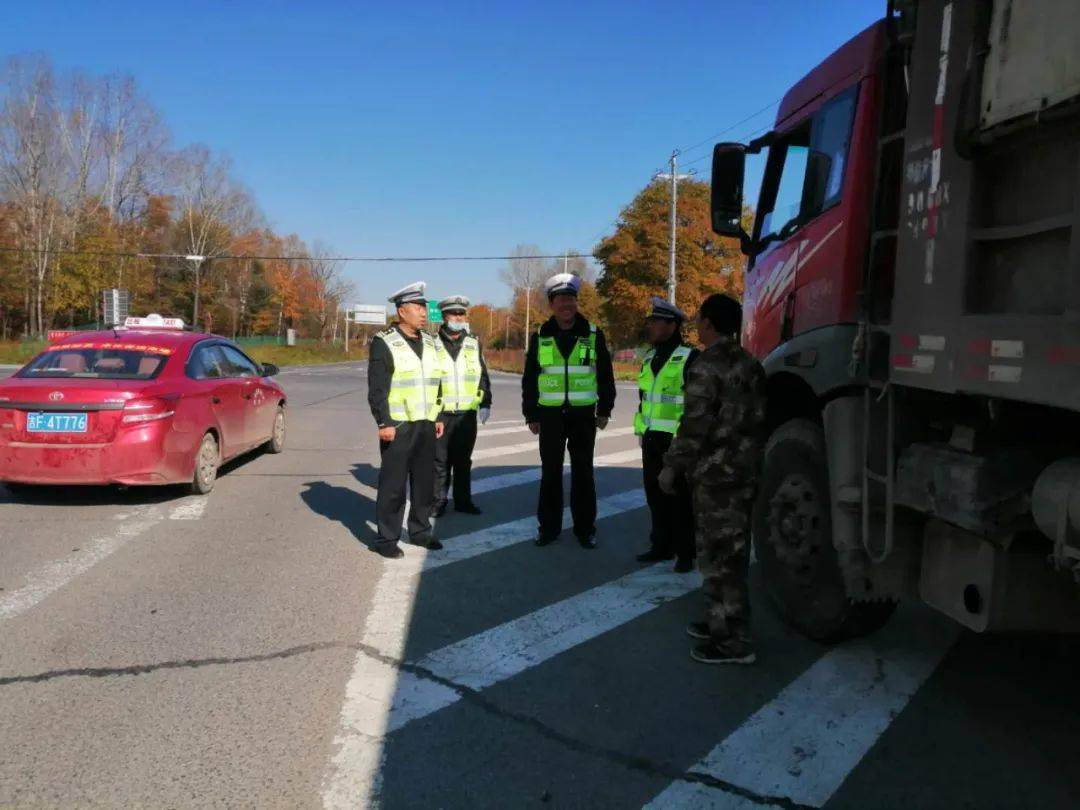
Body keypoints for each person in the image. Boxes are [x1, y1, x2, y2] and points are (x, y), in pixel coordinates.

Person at [659, 293, 766, 664]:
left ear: (709, 323)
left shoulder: (707, 367)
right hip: (745, 471)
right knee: (728, 553)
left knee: (720, 559)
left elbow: (694, 425)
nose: (697, 326)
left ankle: (734, 643)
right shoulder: (751, 364)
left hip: (717, 476)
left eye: (700, 319)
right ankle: (719, 621)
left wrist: (672, 466)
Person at [522, 272, 615, 549]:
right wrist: (531, 413)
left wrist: (605, 409)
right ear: (551, 304)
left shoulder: (592, 333)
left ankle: (585, 529)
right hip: (549, 416)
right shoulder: (540, 335)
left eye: (571, 299)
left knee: (583, 474)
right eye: (561, 299)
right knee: (550, 474)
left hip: (583, 415)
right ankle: (548, 529)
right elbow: (530, 377)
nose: (567, 304)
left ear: (577, 302)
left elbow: (605, 376)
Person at [367, 281, 445, 559]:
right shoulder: (384, 342)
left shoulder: (430, 341)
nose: (424, 313)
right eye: (418, 308)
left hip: (425, 423)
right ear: (402, 311)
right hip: (398, 425)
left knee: (423, 484)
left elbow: (436, 381)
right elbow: (378, 388)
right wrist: (383, 422)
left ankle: (420, 531)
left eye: (424, 307)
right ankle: (387, 539)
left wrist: (438, 414)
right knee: (393, 486)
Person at [634, 297, 699, 573]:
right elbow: (645, 397)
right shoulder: (650, 357)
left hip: (677, 441)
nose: (651, 326)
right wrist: (642, 430)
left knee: (680, 499)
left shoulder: (689, 357)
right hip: (651, 438)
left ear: (672, 325)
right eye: (651, 321)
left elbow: (697, 404)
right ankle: (661, 545)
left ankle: (685, 552)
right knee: (655, 495)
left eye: (656, 322)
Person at [433, 295, 492, 516]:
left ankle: (463, 501)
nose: (458, 317)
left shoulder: (474, 343)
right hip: (441, 413)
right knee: (440, 462)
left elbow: (482, 376)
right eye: (453, 313)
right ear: (444, 316)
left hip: (467, 414)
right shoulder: (431, 344)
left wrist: (486, 403)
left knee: (463, 461)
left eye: (461, 313)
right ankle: (438, 501)